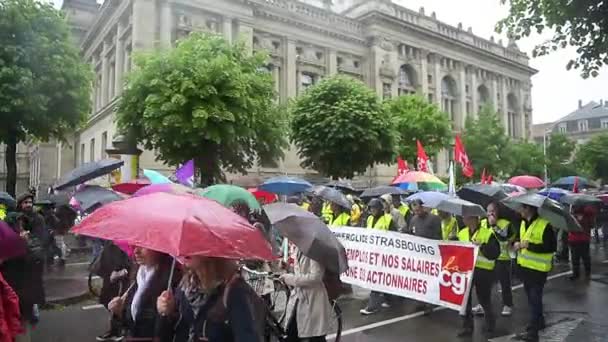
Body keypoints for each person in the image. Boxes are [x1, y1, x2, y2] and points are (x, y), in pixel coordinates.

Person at [157, 256, 259, 342]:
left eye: (194, 242)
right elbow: (173, 332)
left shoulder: (235, 290)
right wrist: (167, 312)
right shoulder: (186, 284)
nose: (186, 249)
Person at [0, 193, 48, 341]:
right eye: (18, 226)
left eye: (30, 202)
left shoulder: (34, 228)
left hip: (25, 291)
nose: (21, 229)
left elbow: (38, 256)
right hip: (13, 292)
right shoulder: (8, 244)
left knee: (23, 324)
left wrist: (26, 244)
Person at [107, 246, 177, 340]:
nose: (136, 251)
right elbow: (131, 324)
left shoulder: (171, 279)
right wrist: (119, 313)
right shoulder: (139, 275)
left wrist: (168, 313)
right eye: (135, 246)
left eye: (143, 247)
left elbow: (174, 329)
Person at [513, 204, 557, 342]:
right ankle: (539, 321)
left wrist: (528, 245)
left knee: (534, 300)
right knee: (531, 299)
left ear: (529, 209)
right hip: (525, 268)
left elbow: (550, 247)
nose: (520, 211)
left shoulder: (545, 225)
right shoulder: (523, 223)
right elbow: (521, 240)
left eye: (522, 208)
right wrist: (517, 243)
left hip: (538, 270)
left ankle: (533, 333)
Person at [457, 214, 500, 337]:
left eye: (465, 217)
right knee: (465, 300)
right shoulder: (462, 233)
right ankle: (467, 326)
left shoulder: (487, 233)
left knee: (484, 299)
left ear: (474, 219)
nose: (463, 219)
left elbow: (494, 253)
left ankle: (490, 323)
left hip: (484, 271)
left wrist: (482, 246)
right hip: (466, 270)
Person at [281, 250, 333, 342]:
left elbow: (316, 277)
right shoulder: (299, 248)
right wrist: (288, 268)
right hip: (300, 298)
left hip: (314, 299)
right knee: (292, 332)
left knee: (315, 336)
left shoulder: (315, 251)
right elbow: (301, 271)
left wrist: (291, 279)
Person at [473, 202, 514, 317]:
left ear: (498, 212)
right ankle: (482, 304)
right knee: (485, 285)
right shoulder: (482, 223)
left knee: (504, 283)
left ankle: (507, 304)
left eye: (493, 211)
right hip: (488, 258)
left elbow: (504, 238)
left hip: (503, 258)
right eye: (488, 211)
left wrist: (494, 225)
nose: (490, 213)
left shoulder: (505, 224)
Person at [360, 199, 395, 315]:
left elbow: (395, 237)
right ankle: (389, 298)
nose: (372, 210)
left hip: (384, 254)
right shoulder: (369, 219)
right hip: (372, 253)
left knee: (376, 278)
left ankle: (372, 305)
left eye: (374, 208)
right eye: (371, 208)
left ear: (380, 209)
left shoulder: (388, 219)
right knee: (381, 278)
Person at [568, 206, 592, 280]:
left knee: (576, 258)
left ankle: (576, 274)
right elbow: (591, 226)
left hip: (575, 240)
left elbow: (569, 228)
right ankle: (587, 272)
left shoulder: (572, 218)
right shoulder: (587, 217)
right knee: (585, 257)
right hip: (584, 239)